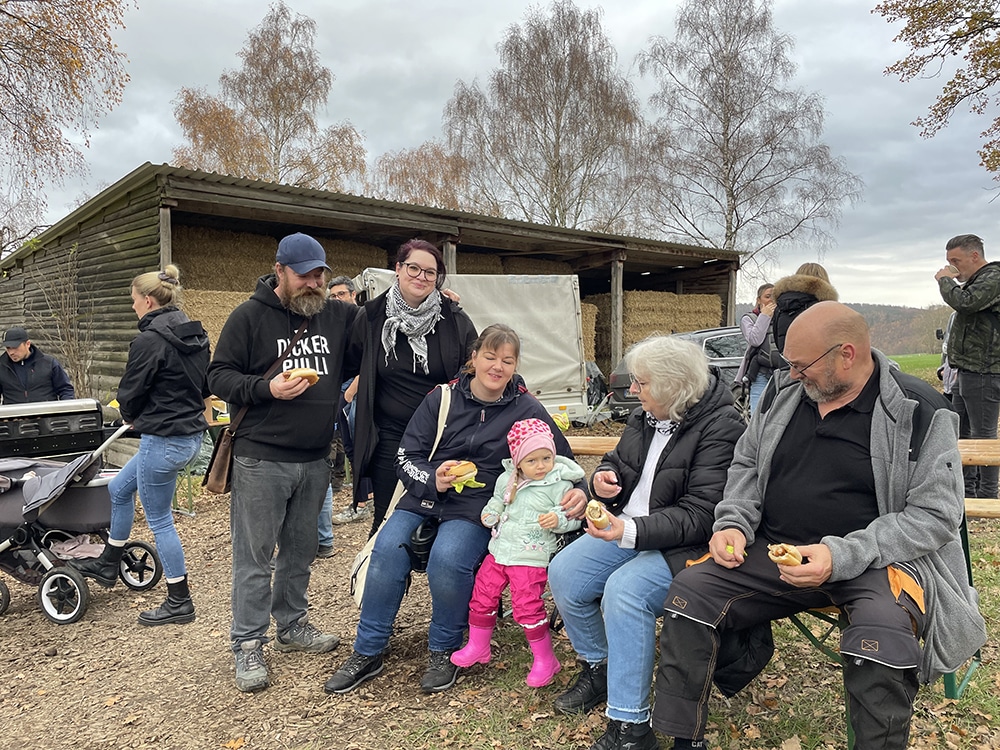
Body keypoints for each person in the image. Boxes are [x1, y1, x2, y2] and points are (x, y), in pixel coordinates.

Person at [650, 302, 986, 750]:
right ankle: (683, 739)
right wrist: (733, 522)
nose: (791, 374)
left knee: (881, 640)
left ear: (846, 354)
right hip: (775, 549)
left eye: (801, 365)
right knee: (689, 594)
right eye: (789, 363)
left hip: (875, 562)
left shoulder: (919, 410)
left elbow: (936, 516)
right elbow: (746, 464)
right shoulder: (784, 394)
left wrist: (839, 555)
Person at [324, 324, 588, 696]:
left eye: (507, 361)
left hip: (479, 505)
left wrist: (579, 490)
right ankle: (368, 649)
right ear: (474, 358)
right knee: (387, 550)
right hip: (425, 494)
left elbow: (561, 460)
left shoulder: (526, 407)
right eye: (490, 357)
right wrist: (434, 477)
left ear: (515, 366)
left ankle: (444, 648)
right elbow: (406, 456)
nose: (497, 367)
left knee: (448, 558)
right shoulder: (442, 398)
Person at [547, 335, 745, 750]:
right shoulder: (648, 414)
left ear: (674, 386)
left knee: (626, 592)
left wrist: (628, 532)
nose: (633, 389)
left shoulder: (722, 426)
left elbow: (702, 514)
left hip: (687, 545)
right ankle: (600, 666)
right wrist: (603, 481)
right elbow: (619, 462)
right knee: (565, 572)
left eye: (642, 382)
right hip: (630, 527)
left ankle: (630, 727)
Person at [207, 232, 359, 693]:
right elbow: (218, 376)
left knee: (300, 550)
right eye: (304, 275)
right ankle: (247, 642)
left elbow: (381, 325)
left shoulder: (337, 316)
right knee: (255, 556)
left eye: (319, 275)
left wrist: (440, 300)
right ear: (280, 271)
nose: (313, 283)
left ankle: (291, 626)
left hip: (315, 458)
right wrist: (266, 388)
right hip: (261, 458)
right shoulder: (249, 316)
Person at [70, 266, 209, 625]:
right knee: (118, 488)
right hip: (190, 435)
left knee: (160, 520)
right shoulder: (195, 333)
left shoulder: (149, 341)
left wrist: (130, 415)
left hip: (162, 440)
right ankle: (108, 562)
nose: (132, 306)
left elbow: (130, 393)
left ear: (148, 300)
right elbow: (204, 385)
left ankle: (180, 600)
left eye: (133, 300)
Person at [347, 239, 478, 537]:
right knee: (387, 522)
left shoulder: (454, 319)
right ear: (398, 268)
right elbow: (351, 360)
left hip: (442, 437)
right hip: (390, 437)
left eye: (430, 272)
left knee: (439, 520)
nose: (421, 277)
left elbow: (473, 370)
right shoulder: (371, 317)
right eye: (413, 268)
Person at [450, 418, 585, 688]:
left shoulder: (559, 485)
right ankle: (478, 645)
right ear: (518, 461)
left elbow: (572, 517)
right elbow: (497, 501)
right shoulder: (507, 479)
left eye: (546, 458)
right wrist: (490, 513)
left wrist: (558, 520)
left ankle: (545, 659)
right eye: (532, 460)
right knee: (483, 594)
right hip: (500, 551)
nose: (541, 466)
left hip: (531, 557)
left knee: (527, 606)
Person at [936, 233, 1000, 499]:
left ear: (975, 256)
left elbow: (965, 303)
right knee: (961, 433)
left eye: (956, 260)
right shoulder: (976, 281)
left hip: (985, 371)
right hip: (966, 370)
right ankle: (966, 491)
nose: (952, 266)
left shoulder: (993, 278)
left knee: (983, 436)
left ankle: (987, 495)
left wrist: (945, 280)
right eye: (949, 261)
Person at [769, 262, 838, 358]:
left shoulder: (780, 307)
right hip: (815, 363)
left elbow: (777, 339)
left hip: (786, 363)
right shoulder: (823, 308)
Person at [0, 326, 75, 403]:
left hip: (46, 410)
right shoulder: (1, 366)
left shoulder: (49, 363)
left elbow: (65, 390)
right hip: (14, 410)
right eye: (8, 348)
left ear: (28, 344)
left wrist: (66, 408)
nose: (11, 352)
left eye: (15, 347)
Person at [734, 283, 775, 413]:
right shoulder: (749, 319)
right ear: (758, 300)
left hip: (780, 372)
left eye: (775, 297)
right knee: (758, 413)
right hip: (760, 373)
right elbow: (755, 340)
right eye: (767, 296)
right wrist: (764, 316)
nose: (771, 300)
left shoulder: (782, 319)